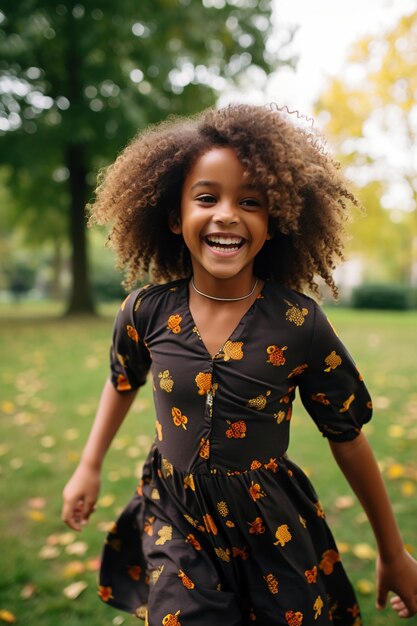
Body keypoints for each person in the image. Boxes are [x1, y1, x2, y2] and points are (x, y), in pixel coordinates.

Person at [61, 103, 417, 625]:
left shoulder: (299, 323)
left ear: (274, 223)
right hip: (175, 516)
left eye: (249, 202)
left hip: (271, 524)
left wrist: (392, 552)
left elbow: (347, 435)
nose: (227, 213)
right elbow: (122, 379)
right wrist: (89, 464)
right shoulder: (144, 311)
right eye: (207, 197)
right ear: (173, 215)